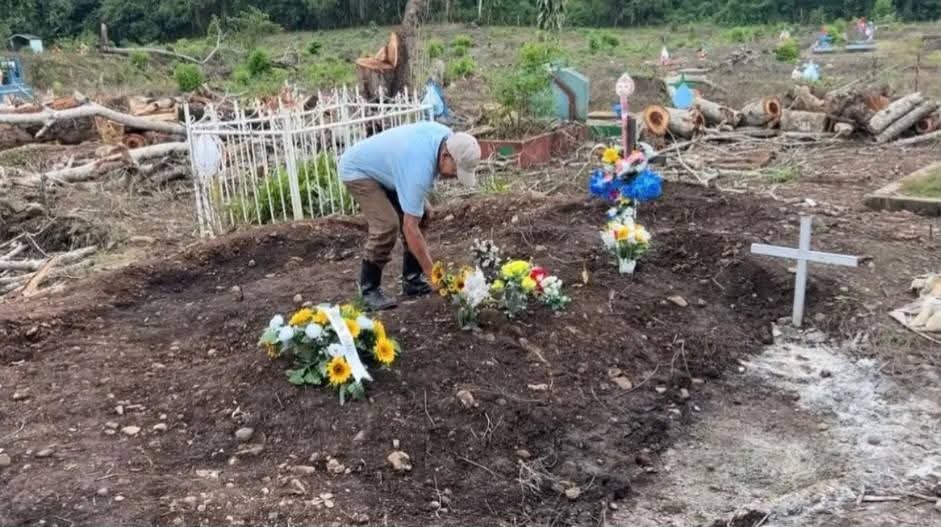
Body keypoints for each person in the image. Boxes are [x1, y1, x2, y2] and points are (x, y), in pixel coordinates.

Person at [339, 121, 481, 311]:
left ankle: (412, 280)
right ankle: (368, 290)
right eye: (456, 170)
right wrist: (434, 276)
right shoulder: (419, 168)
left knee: (424, 214)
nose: (455, 176)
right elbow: (410, 228)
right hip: (358, 171)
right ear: (445, 156)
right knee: (387, 225)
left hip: (389, 169)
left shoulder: (447, 139)